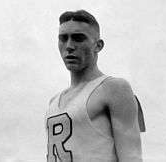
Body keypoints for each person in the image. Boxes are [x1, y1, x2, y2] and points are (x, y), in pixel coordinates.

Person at [45, 10, 145, 162]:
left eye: (78, 38)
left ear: (98, 46)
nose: (69, 46)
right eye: (63, 39)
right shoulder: (53, 102)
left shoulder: (114, 88)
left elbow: (132, 157)